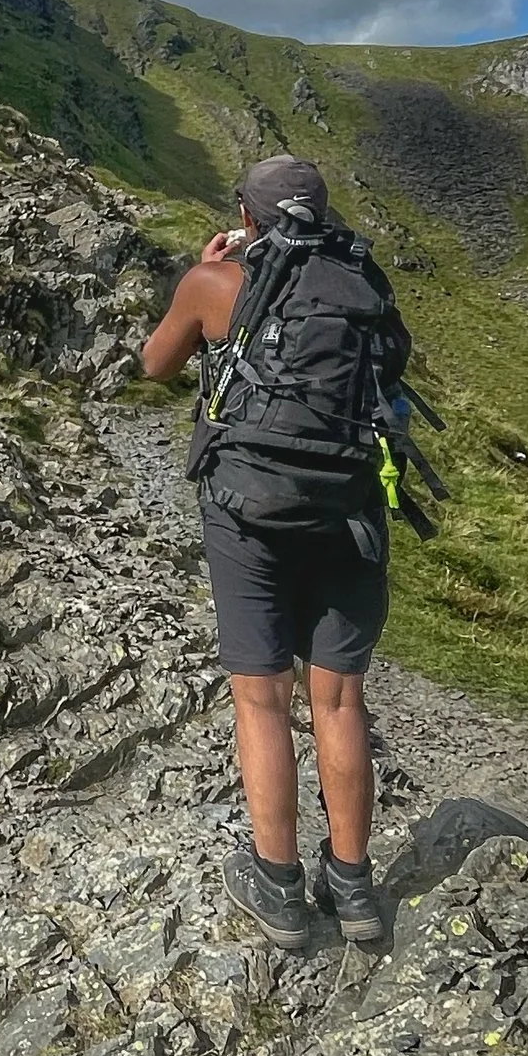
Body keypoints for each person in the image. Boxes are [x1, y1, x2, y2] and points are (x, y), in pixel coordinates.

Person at [139, 155, 394, 955]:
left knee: (262, 701)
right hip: (349, 511)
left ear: (245, 219)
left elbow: (154, 364)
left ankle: (278, 888)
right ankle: (353, 887)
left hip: (249, 512)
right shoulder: (362, 286)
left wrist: (207, 273)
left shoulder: (216, 283)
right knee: (341, 702)